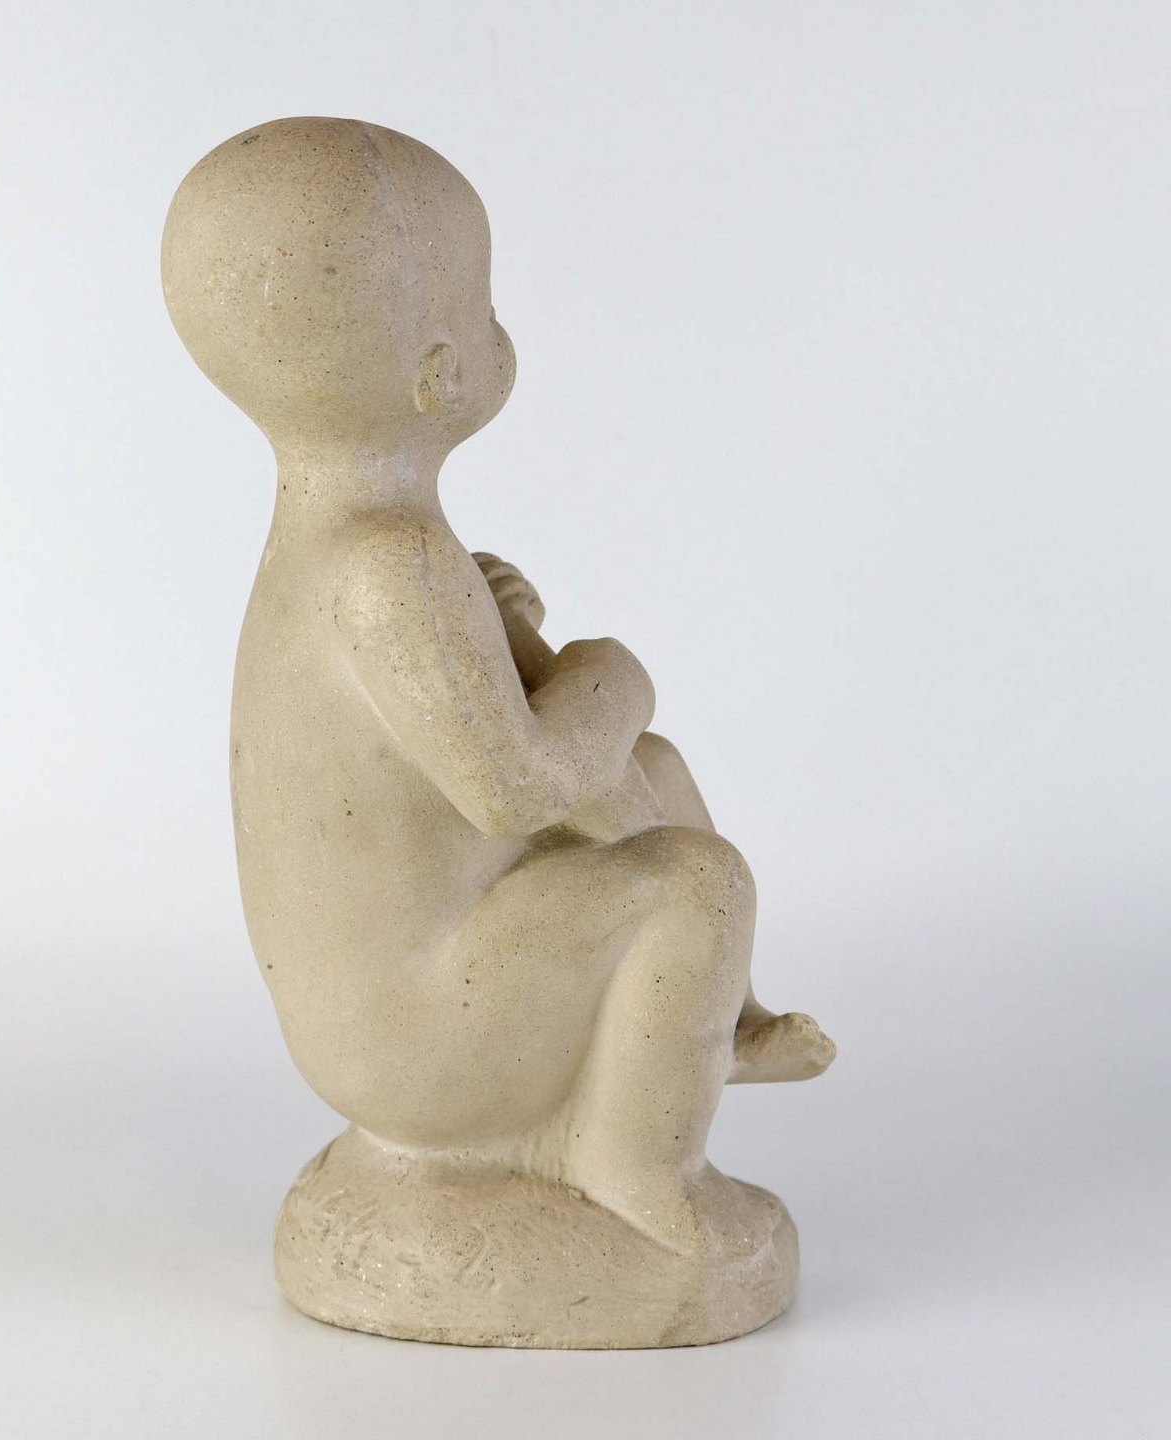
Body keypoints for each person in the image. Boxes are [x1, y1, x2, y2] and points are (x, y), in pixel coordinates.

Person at [163, 117, 833, 1256]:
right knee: (699, 885)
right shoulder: (392, 566)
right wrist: (611, 674)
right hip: (416, 1037)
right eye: (484, 308)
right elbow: (517, 789)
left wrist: (501, 638)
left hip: (377, 1001)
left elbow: (435, 732)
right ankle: (634, 1165)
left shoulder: (332, 539)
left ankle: (726, 1021)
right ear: (443, 369)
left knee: (647, 772)